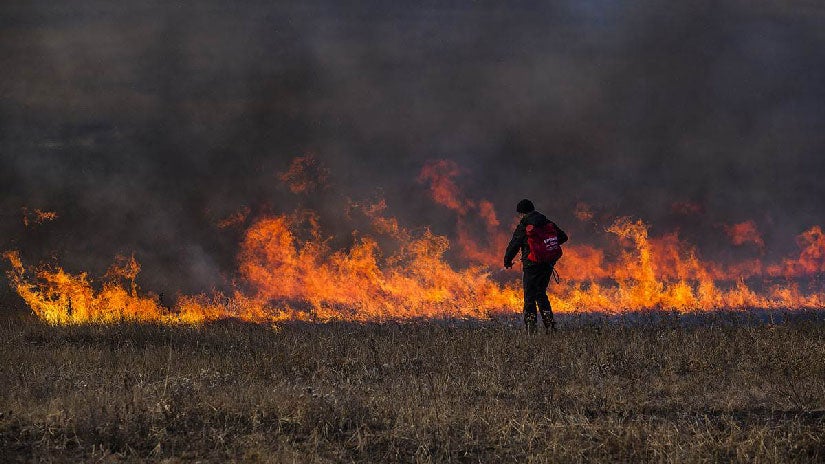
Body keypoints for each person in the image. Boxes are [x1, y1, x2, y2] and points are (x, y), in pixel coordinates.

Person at [504, 199, 568, 334]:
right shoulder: (546, 221)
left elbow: (514, 244)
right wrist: (546, 247)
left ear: (522, 213)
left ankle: (530, 331)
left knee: (529, 297)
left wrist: (507, 261)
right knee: (541, 294)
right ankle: (550, 327)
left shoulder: (525, 225)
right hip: (547, 264)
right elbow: (563, 237)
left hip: (531, 265)